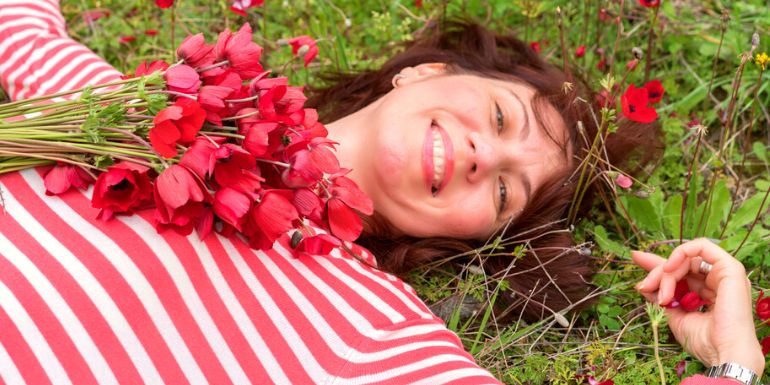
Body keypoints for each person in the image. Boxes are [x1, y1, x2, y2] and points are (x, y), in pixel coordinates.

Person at [0, 1, 765, 384]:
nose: (481, 154)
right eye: (498, 117)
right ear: (425, 72)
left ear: (473, 238)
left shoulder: (379, 334)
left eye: (505, 193)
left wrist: (733, 359)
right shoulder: (149, 110)